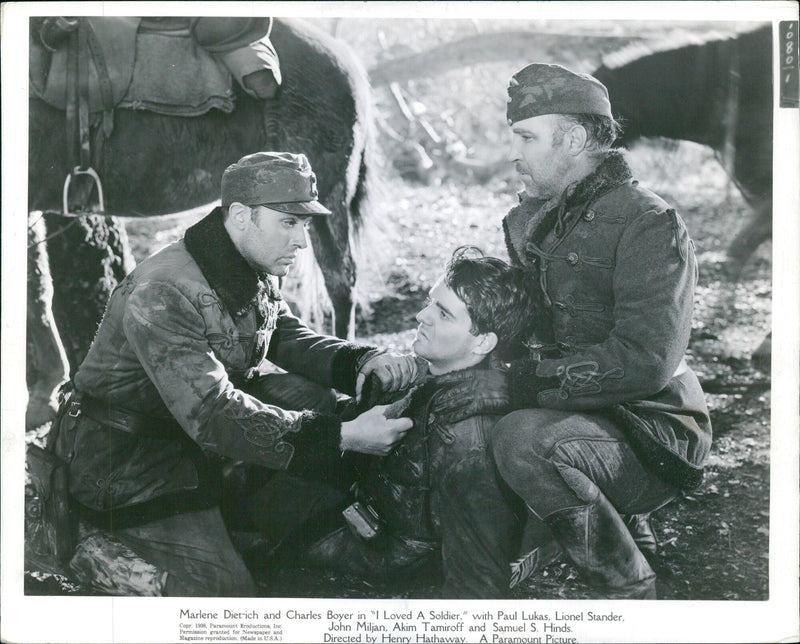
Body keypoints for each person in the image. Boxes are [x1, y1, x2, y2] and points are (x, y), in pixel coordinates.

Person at [50, 151, 422, 596]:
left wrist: (358, 361)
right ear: (243, 216)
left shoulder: (243, 256)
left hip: (188, 435)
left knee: (314, 400)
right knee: (226, 589)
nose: (303, 241)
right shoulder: (165, 290)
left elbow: (279, 332)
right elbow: (213, 413)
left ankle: (235, 511)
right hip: (130, 460)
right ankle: (91, 545)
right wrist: (340, 437)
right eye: (290, 223)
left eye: (305, 224)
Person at [438, 64, 712, 599]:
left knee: (521, 438)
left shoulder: (648, 222)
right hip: (576, 413)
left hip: (652, 429)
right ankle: (476, 592)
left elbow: (645, 361)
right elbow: (520, 329)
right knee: (460, 414)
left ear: (577, 138)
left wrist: (516, 386)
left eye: (525, 137)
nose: (513, 153)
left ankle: (629, 589)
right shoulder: (529, 219)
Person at [299, 248, 538, 598]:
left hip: (380, 551)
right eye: (430, 302)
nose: (420, 315)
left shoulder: (470, 442)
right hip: (365, 506)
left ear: (483, 342)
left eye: (442, 313)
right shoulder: (444, 378)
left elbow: (478, 584)